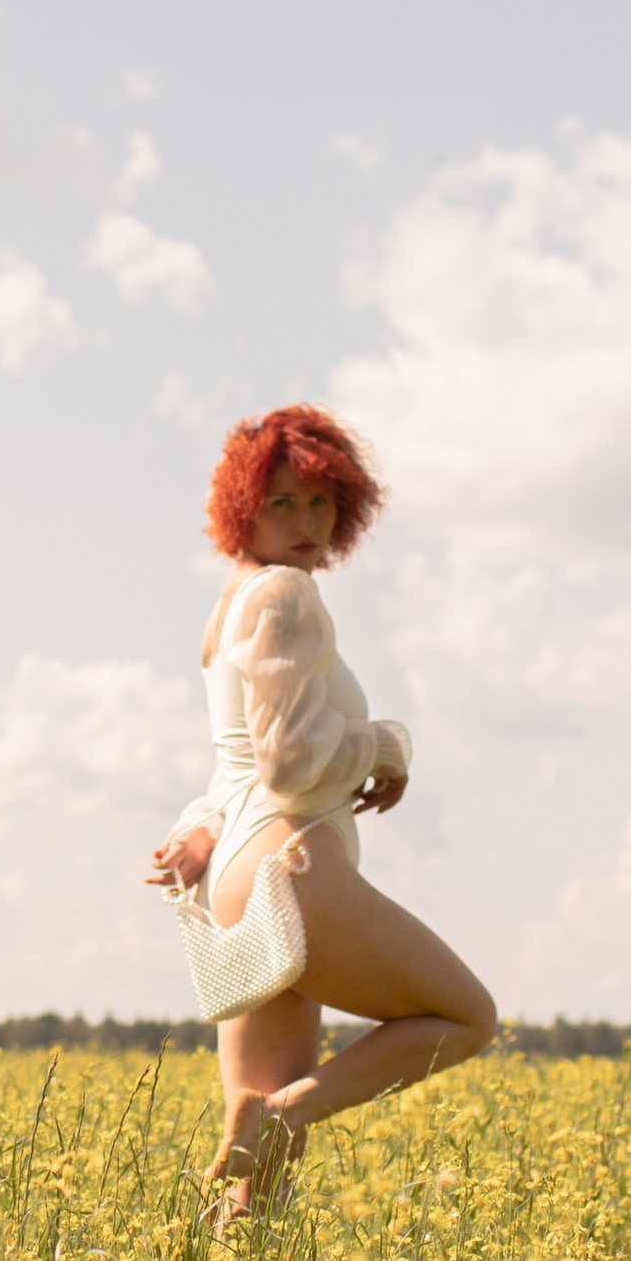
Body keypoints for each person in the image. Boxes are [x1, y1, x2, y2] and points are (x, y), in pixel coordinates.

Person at [147, 405, 496, 1216]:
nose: (307, 524)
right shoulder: (283, 596)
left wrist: (197, 830)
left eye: (321, 503)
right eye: (282, 504)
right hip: (292, 864)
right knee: (466, 1017)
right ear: (244, 507)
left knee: (256, 1182)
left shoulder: (231, 602)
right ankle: (284, 1113)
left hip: (239, 865)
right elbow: (293, 764)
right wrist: (382, 746)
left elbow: (235, 760)